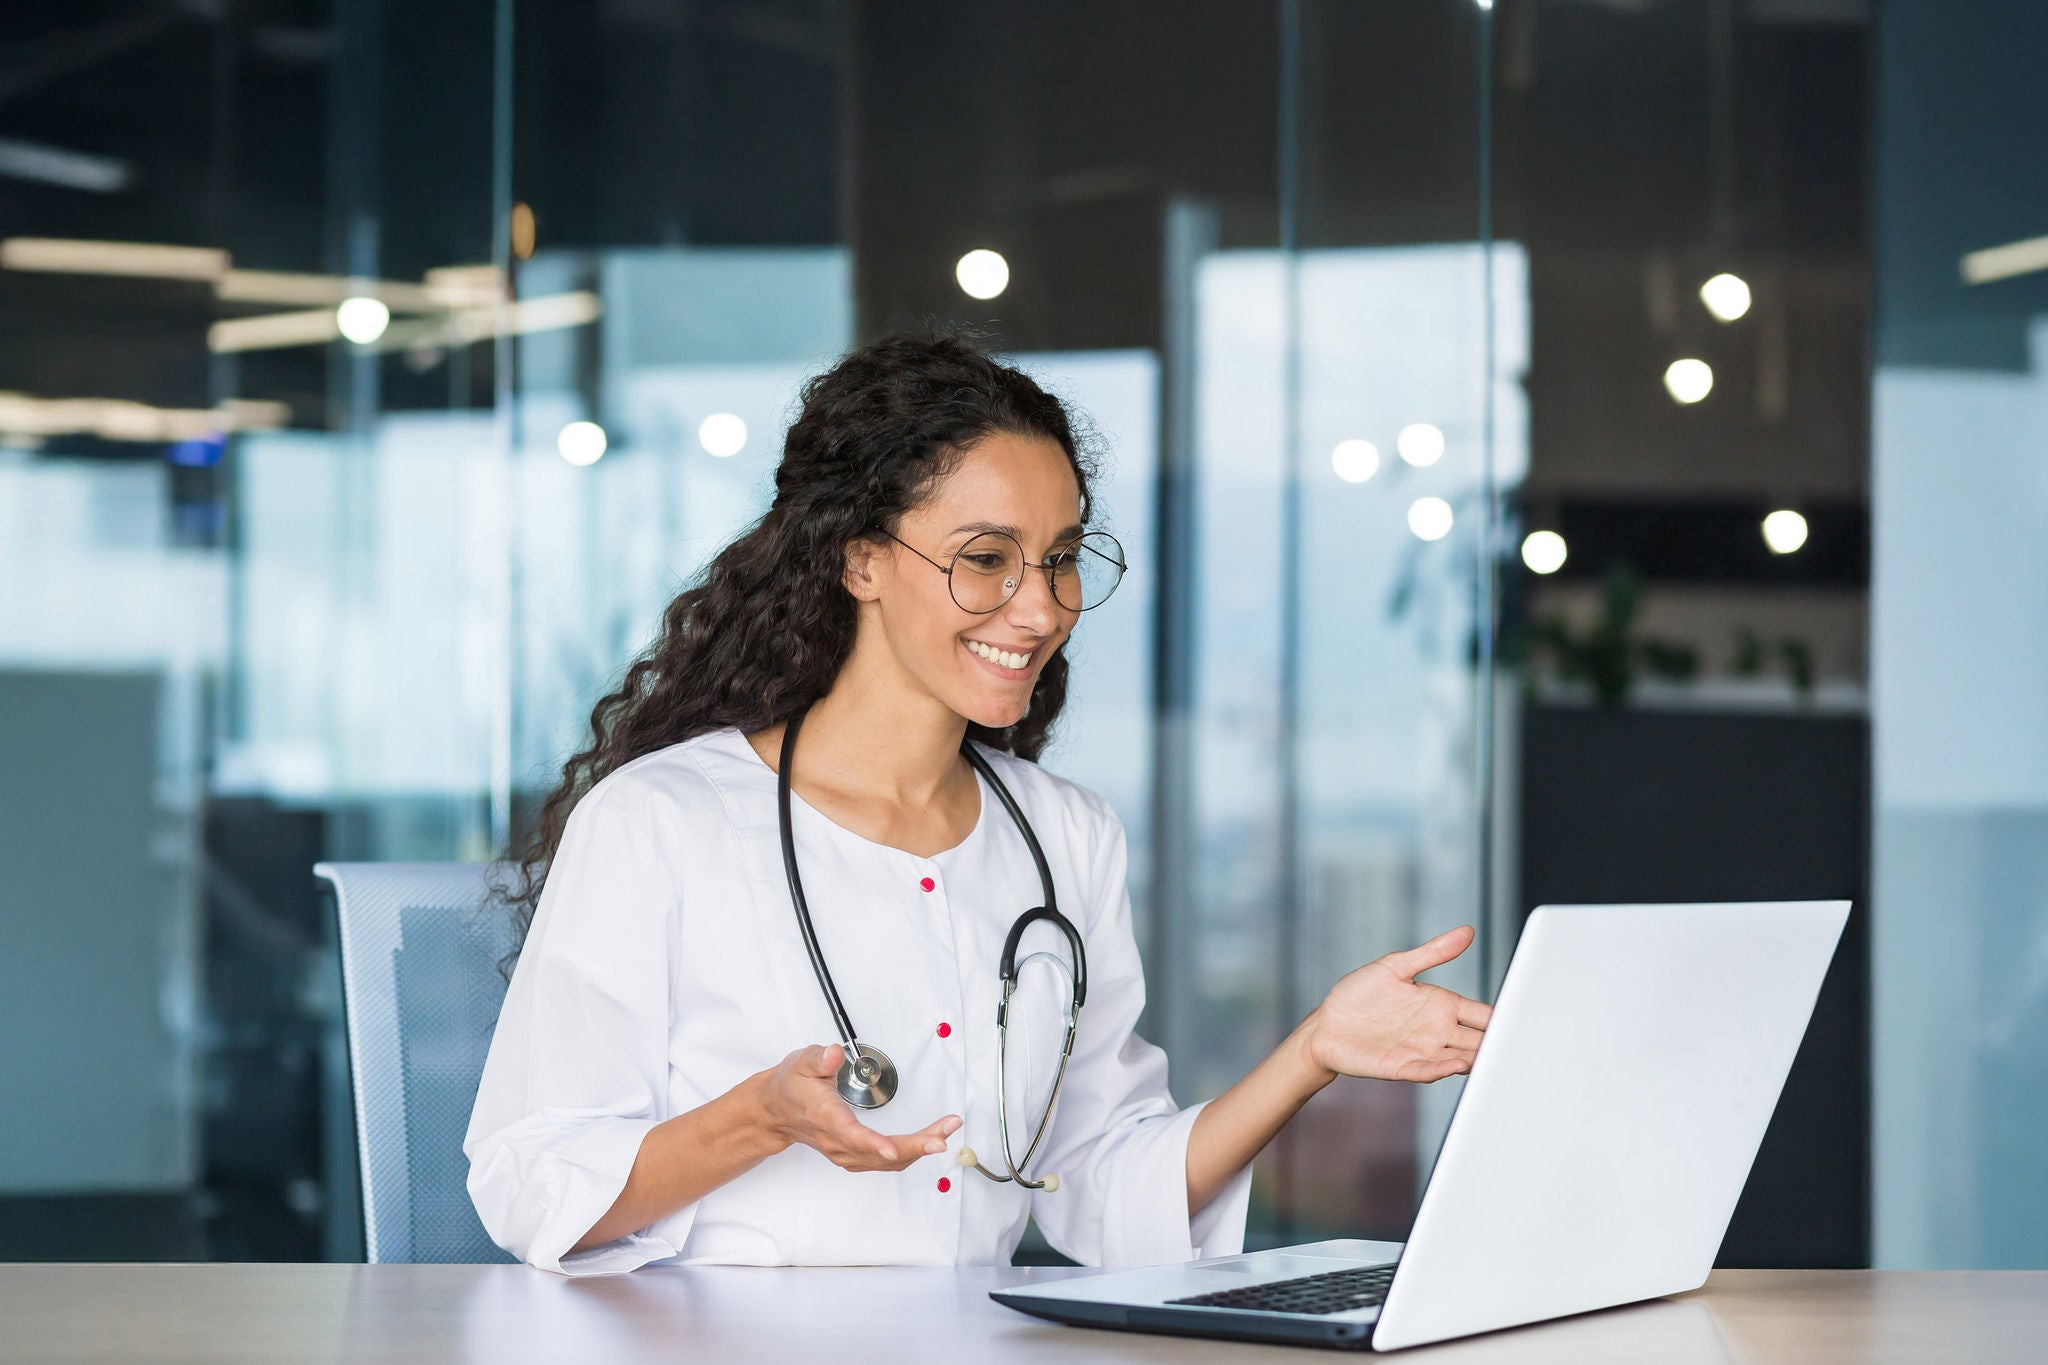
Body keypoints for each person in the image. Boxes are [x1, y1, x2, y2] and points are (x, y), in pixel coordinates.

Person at [464, 331, 1492, 1276]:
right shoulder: (663, 822)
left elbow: (1097, 1187)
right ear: (858, 559)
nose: (1040, 607)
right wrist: (760, 1118)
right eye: (985, 560)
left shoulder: (1061, 836)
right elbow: (527, 1183)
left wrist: (1309, 1055)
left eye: (1057, 560)